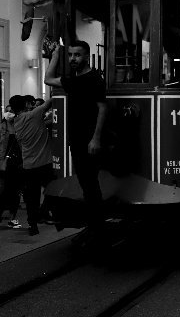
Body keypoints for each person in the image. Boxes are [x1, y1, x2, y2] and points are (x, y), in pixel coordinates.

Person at [45, 40, 107, 244]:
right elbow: (48, 79)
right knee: (87, 184)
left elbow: (102, 108)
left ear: (87, 56)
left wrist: (95, 139)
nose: (73, 59)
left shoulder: (94, 79)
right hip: (77, 140)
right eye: (70, 55)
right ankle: (95, 228)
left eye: (77, 55)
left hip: (88, 140)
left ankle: (97, 230)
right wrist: (55, 55)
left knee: (90, 185)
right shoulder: (74, 80)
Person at [10, 95, 53, 235]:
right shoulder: (34, 114)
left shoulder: (16, 122)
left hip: (28, 165)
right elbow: (50, 102)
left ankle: (33, 225)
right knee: (53, 189)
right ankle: (45, 213)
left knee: (31, 197)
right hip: (44, 163)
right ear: (25, 105)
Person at [0, 105, 23, 229]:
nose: (9, 114)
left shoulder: (18, 126)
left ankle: (12, 218)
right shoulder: (3, 126)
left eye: (11, 112)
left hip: (15, 163)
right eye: (7, 111)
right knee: (4, 190)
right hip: (5, 163)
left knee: (14, 191)